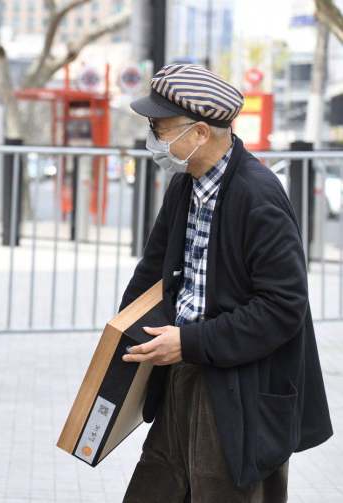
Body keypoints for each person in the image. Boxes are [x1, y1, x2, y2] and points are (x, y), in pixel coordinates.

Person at [118, 63, 333, 502]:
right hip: (182, 369)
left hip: (239, 388)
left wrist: (190, 342)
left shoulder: (258, 195)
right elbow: (152, 272)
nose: (153, 138)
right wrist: (121, 339)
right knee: (156, 486)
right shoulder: (185, 186)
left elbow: (283, 307)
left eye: (160, 127)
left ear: (199, 133)